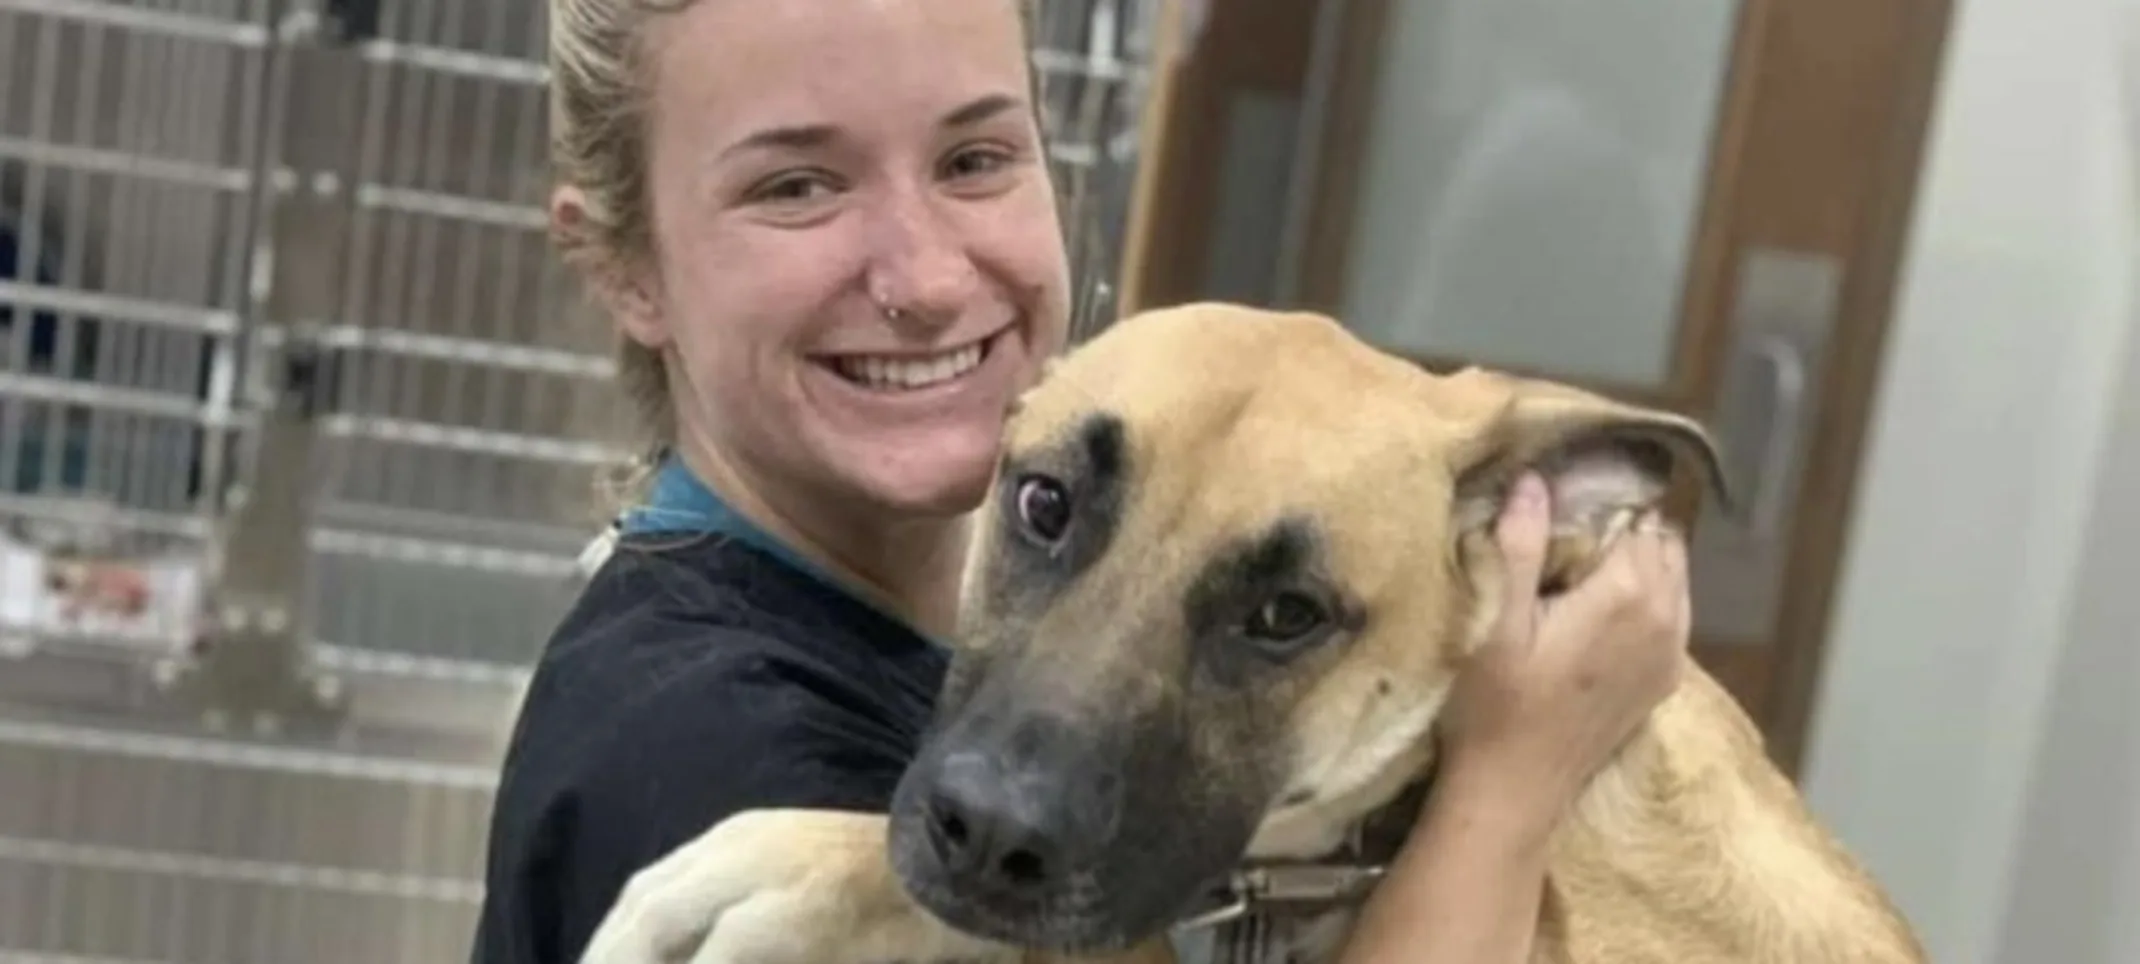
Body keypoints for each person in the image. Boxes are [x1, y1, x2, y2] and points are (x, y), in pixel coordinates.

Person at [471, 1, 1695, 962]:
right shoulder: (720, 753)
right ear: (625, 269)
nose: (932, 279)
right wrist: (1507, 790)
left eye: (974, 156)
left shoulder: (868, 604)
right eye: (797, 185)